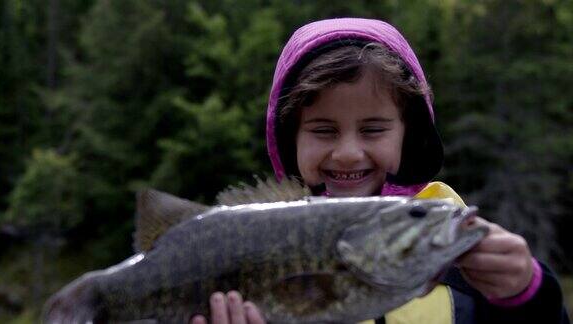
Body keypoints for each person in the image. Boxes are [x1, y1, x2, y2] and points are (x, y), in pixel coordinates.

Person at [191, 18, 570, 324]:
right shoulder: (254, 243)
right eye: (324, 130)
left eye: (373, 130)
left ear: (411, 136)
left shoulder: (458, 258)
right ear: (290, 140)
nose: (348, 153)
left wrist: (527, 293)